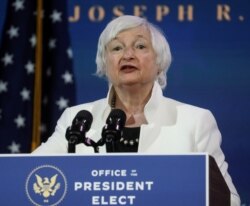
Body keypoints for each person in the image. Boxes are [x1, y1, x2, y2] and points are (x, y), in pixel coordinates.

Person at [33, 15, 240, 205]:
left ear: (159, 62)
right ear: (105, 64)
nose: (128, 55)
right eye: (116, 48)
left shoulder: (195, 121)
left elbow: (229, 200)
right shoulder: (76, 120)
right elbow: (27, 176)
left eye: (140, 46)